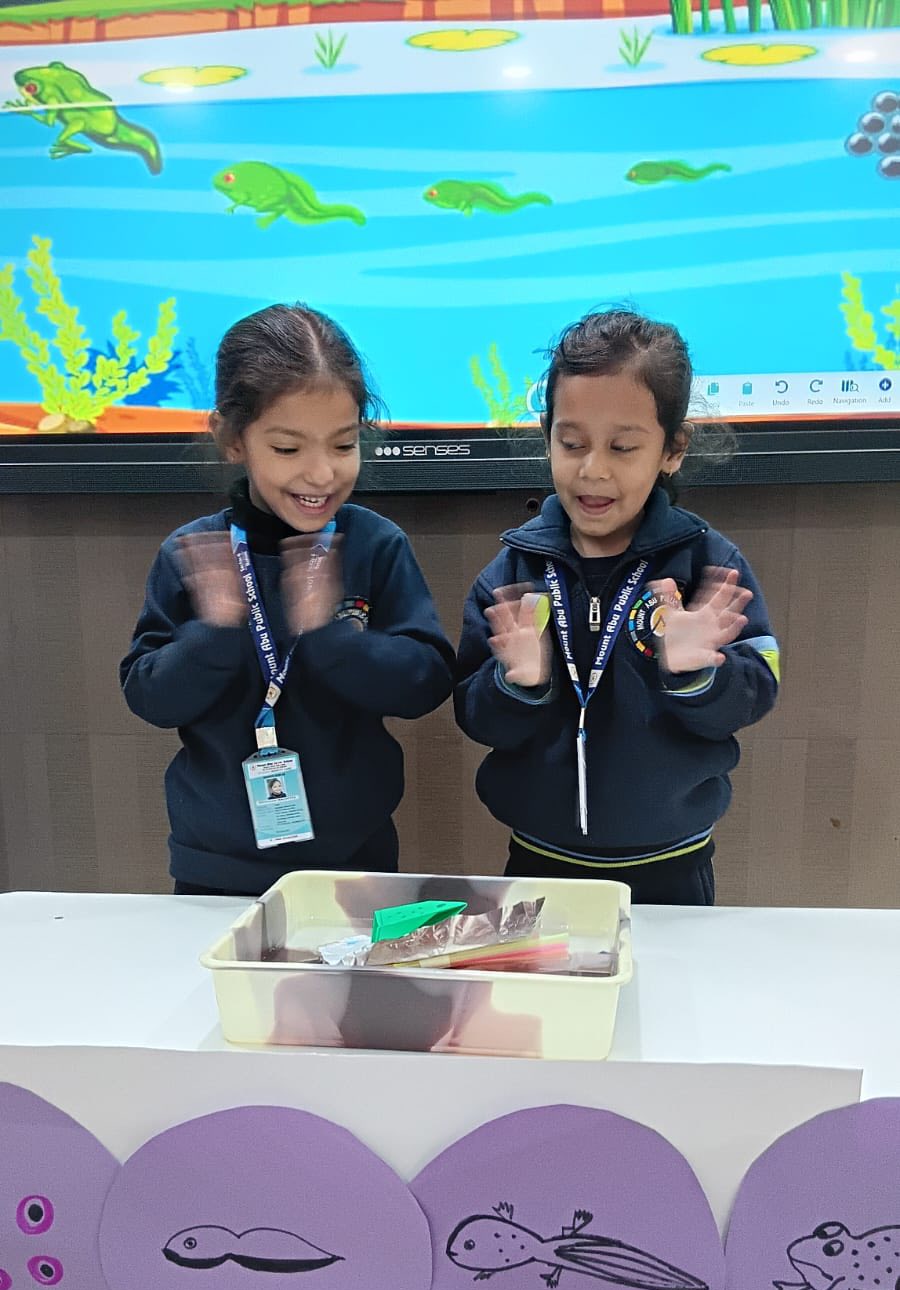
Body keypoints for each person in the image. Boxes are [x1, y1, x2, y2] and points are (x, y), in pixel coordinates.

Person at [121, 303, 454, 896]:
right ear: (233, 439)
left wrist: (331, 637)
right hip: (214, 870)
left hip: (356, 864)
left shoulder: (374, 545)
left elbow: (425, 683)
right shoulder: (194, 554)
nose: (321, 474)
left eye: (343, 445)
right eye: (287, 449)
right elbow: (150, 698)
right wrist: (214, 633)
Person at [454, 309, 780, 906]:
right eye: (571, 443)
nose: (593, 469)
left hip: (673, 863)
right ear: (547, 435)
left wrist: (699, 672)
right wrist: (517, 684)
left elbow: (755, 695)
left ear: (672, 449)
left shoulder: (709, 566)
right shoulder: (512, 575)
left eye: (623, 447)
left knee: (672, 974)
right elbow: (476, 719)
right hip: (540, 860)